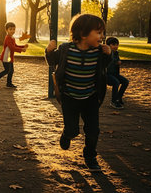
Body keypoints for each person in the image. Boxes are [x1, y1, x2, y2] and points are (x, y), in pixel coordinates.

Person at [45, 14, 112, 172]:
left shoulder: (98, 52)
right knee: (73, 130)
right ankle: (67, 134)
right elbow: (52, 61)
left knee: (93, 130)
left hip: (90, 97)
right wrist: (49, 51)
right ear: (83, 34)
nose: (102, 37)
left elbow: (104, 67)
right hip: (69, 97)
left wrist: (110, 54)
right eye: (99, 32)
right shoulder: (65, 49)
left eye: (103, 33)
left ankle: (90, 157)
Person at [0, 22, 28, 88]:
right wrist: (21, 50)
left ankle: (9, 83)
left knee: (11, 71)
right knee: (7, 70)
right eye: (10, 29)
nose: (12, 31)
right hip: (6, 57)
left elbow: (15, 46)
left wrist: (23, 46)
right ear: (6, 30)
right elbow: (12, 47)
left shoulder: (12, 38)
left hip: (10, 57)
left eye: (14, 29)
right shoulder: (8, 38)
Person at [106, 36, 129, 109]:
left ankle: (118, 98)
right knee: (116, 82)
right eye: (113, 44)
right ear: (109, 45)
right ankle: (113, 101)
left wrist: (118, 63)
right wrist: (116, 62)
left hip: (114, 74)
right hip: (106, 74)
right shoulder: (106, 54)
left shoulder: (116, 53)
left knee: (125, 81)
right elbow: (107, 64)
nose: (116, 46)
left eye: (117, 44)